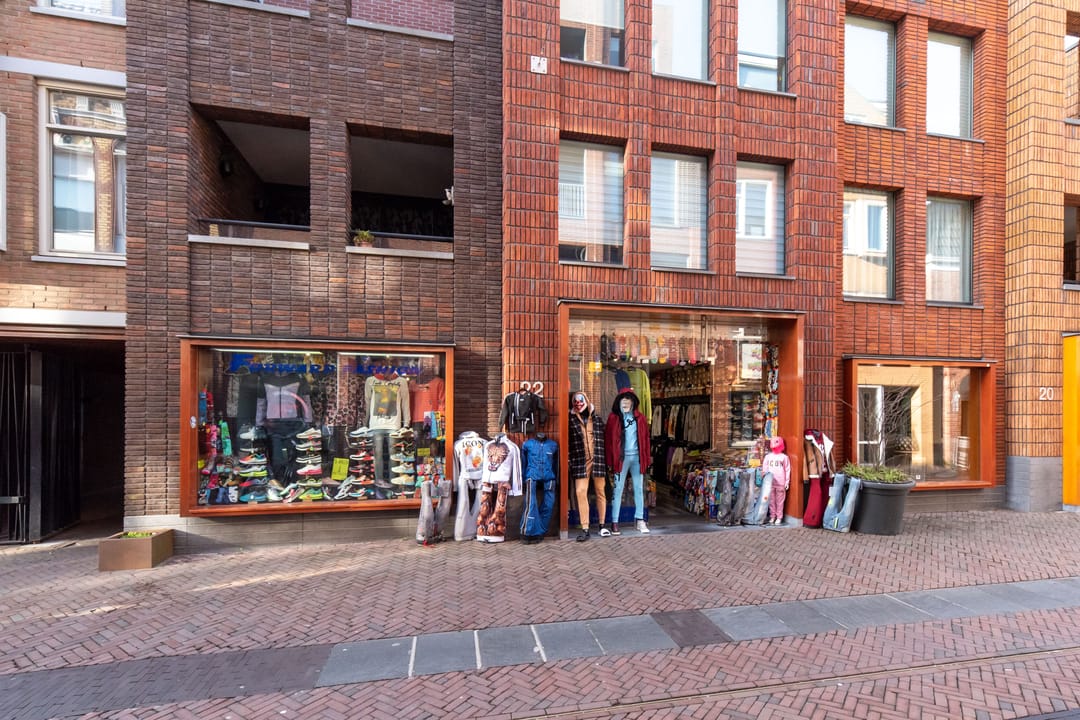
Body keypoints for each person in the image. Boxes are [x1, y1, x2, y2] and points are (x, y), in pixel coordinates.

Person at [604, 388, 651, 535]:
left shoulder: (640, 419)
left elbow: (645, 440)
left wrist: (646, 458)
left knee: (638, 488)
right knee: (618, 489)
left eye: (628, 399)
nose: (625, 402)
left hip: (637, 457)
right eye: (623, 400)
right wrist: (610, 461)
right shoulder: (613, 418)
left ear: (633, 402)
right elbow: (608, 440)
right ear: (618, 402)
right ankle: (615, 521)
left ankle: (640, 519)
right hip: (621, 459)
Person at [567, 391, 608, 541]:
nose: (578, 404)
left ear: (586, 401)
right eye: (575, 401)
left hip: (598, 459)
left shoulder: (596, 419)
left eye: (581, 400)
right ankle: (585, 527)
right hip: (580, 460)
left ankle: (602, 525)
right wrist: (569, 459)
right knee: (580, 491)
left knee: (600, 491)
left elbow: (604, 439)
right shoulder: (570, 420)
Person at [763, 436, 791, 525]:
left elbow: (787, 469)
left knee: (779, 501)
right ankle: (772, 516)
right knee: (771, 501)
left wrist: (787, 482)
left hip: (780, 482)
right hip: (770, 482)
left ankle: (779, 517)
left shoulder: (784, 457)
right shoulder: (768, 457)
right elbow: (765, 469)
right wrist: (764, 478)